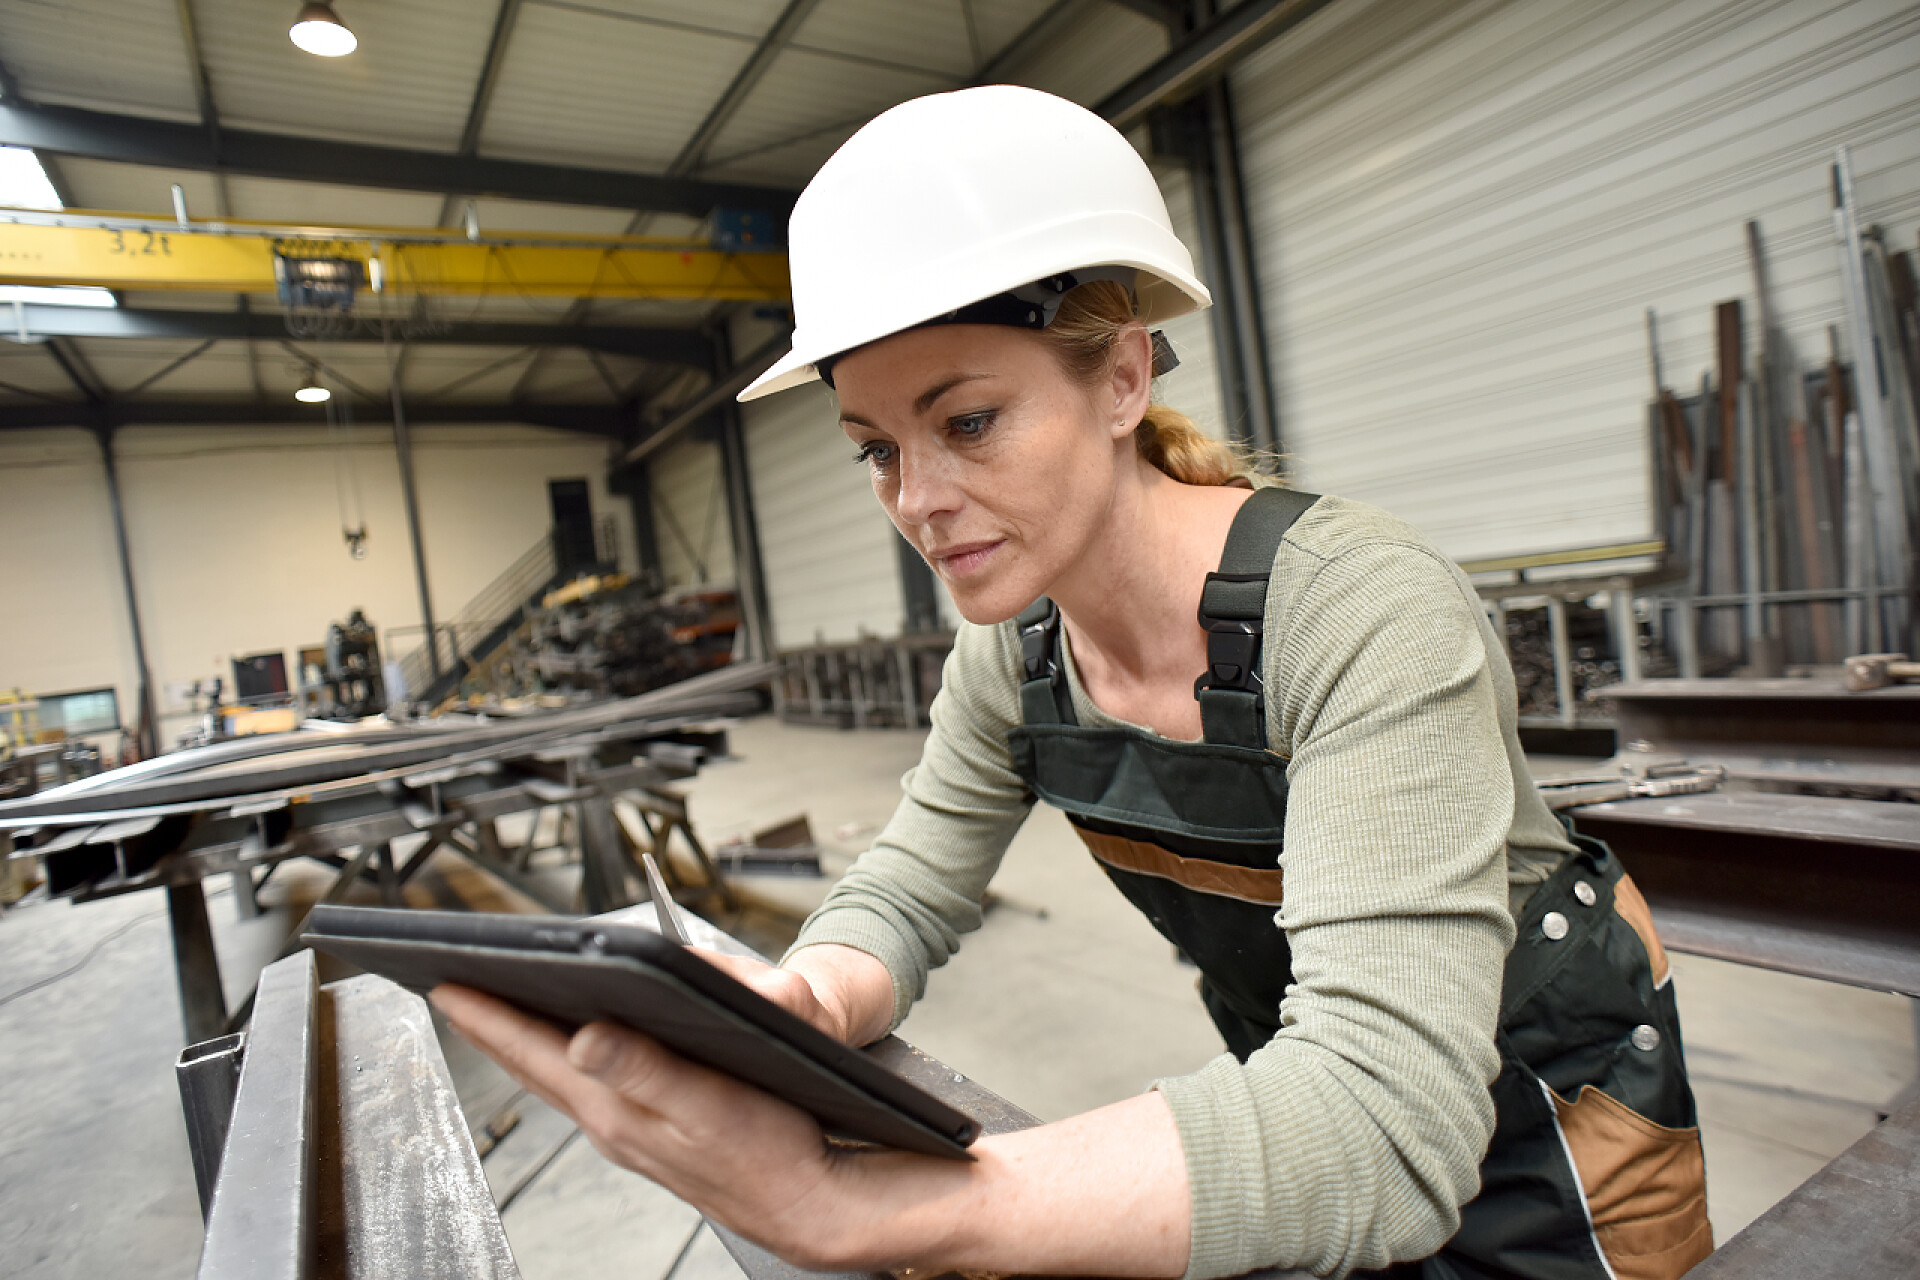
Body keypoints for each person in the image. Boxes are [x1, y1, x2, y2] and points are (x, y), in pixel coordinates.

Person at [432, 85, 1713, 1280]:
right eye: (877, 448)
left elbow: (1389, 1117)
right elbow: (906, 885)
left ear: (1120, 375)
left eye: (967, 421)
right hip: (1301, 1113)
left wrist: (885, 1203)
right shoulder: (1016, 654)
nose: (919, 501)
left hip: (1560, 1118)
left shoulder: (1361, 610)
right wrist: (804, 997)